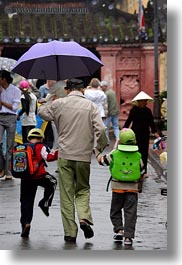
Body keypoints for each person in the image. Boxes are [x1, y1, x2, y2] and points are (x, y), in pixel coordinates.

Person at [38, 78, 107, 243]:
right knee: (83, 189)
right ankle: (84, 217)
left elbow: (42, 113)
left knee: (66, 194)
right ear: (83, 90)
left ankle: (70, 232)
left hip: (64, 155)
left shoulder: (59, 103)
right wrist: (98, 149)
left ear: (67, 90)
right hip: (83, 157)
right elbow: (102, 130)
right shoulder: (90, 106)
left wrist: (49, 98)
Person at [96, 128, 145, 246]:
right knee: (131, 213)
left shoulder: (115, 153)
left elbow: (102, 161)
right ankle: (128, 237)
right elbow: (142, 172)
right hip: (132, 189)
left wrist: (98, 154)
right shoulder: (138, 155)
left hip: (117, 188)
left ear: (120, 141)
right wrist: (140, 186)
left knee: (115, 210)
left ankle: (119, 229)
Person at [20, 128, 58, 238]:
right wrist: (59, 152)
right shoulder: (41, 146)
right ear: (41, 138)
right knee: (53, 182)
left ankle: (25, 224)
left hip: (25, 178)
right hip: (39, 176)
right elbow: (49, 157)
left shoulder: (23, 147)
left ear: (29, 138)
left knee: (26, 201)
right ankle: (44, 203)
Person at [123, 91, 158, 174]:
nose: (144, 102)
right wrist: (124, 129)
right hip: (135, 134)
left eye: (145, 101)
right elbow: (129, 120)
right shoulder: (134, 110)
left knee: (144, 152)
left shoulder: (148, 111)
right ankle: (134, 169)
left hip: (145, 134)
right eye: (142, 101)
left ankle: (144, 171)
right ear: (138, 101)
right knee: (135, 152)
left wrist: (155, 132)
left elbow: (151, 122)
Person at [0, 70, 21, 180]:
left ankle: (8, 171)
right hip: (0, 117)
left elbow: (14, 107)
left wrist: (2, 102)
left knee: (9, 145)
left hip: (11, 117)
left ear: (4, 79)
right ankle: (2, 168)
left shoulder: (15, 90)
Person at [100, 80, 120, 147]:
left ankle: (107, 141)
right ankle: (118, 138)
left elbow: (106, 105)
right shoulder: (112, 92)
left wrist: (105, 114)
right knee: (116, 126)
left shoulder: (106, 94)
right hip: (115, 112)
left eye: (101, 86)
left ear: (105, 86)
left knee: (106, 127)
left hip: (109, 113)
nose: (101, 88)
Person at [38, 80, 57, 149]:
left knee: (53, 133)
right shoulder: (42, 88)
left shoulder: (58, 90)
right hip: (48, 115)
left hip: (53, 115)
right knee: (48, 132)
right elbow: (40, 100)